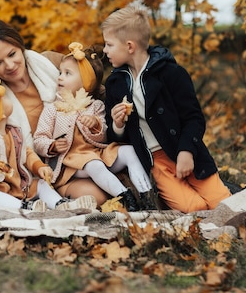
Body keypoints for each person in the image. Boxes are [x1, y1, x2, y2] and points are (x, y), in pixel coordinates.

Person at [101, 2, 232, 213]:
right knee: (193, 209)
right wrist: (117, 125)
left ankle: (222, 191)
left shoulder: (171, 73)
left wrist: (186, 151)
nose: (105, 50)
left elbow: (194, 118)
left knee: (224, 204)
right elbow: (117, 138)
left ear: (130, 46)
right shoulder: (115, 84)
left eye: (109, 44)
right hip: (157, 162)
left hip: (186, 150)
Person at [0, 19, 110, 205]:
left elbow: (93, 87)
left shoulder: (51, 63)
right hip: (31, 176)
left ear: (19, 46)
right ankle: (47, 204)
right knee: (94, 197)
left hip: (73, 160)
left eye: (12, 54)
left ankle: (54, 202)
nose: (9, 65)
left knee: (101, 194)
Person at [33, 42, 155, 211]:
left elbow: (104, 135)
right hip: (70, 162)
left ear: (86, 82)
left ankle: (147, 196)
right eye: (61, 72)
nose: (60, 77)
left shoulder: (95, 105)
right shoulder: (53, 109)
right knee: (93, 164)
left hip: (97, 153)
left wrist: (95, 125)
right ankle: (125, 198)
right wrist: (51, 146)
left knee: (129, 151)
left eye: (67, 73)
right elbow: (38, 138)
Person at [0, 75, 97, 211]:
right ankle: (23, 207)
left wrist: (39, 167)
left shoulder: (12, 131)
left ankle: (60, 204)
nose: (7, 97)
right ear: (0, 113)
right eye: (3, 98)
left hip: (19, 186)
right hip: (0, 188)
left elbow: (27, 153)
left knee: (40, 184)